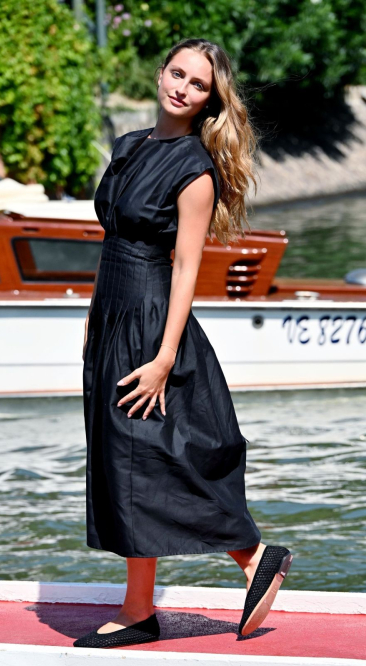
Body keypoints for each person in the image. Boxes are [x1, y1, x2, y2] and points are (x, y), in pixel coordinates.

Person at [75, 38, 293, 650]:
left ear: (208, 100)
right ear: (161, 72)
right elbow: (110, 240)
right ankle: (139, 608)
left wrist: (165, 358)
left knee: (160, 455)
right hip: (112, 318)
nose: (182, 88)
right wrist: (94, 320)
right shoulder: (129, 146)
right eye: (178, 74)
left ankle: (253, 557)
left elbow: (186, 266)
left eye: (198, 85)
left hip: (151, 323)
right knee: (123, 464)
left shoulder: (194, 169)